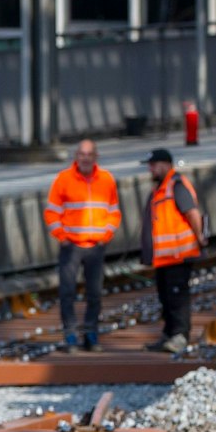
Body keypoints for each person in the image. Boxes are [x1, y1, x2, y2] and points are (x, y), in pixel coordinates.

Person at [45, 139, 123, 351]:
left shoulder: (106, 180)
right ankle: (70, 334)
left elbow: (114, 211)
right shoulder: (64, 179)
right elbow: (52, 212)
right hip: (71, 245)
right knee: (67, 291)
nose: (85, 158)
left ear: (96, 157)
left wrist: (105, 235)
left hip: (96, 246)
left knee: (95, 293)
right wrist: (61, 236)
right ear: (76, 157)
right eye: (82, 154)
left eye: (89, 154)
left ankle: (91, 334)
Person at [142, 148, 206, 353]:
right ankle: (169, 334)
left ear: (165, 164)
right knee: (166, 297)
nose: (150, 169)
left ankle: (180, 335)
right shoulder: (160, 189)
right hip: (164, 257)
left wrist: (200, 237)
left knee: (178, 297)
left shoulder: (175, 186)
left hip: (179, 255)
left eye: (153, 165)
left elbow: (192, 213)